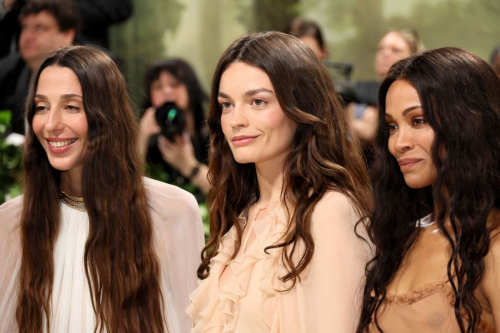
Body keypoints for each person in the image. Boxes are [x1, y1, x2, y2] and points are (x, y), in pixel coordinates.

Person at [0, 45, 204, 332]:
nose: (51, 124)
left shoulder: (172, 211)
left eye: (71, 107)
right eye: (42, 107)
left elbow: (191, 325)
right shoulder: (11, 220)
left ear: (106, 115)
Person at [186, 31, 373, 332]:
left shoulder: (328, 211)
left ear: (302, 107)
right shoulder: (240, 213)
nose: (236, 120)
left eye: (257, 102)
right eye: (226, 104)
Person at [356, 47, 500, 332]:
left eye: (418, 120)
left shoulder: (493, 245)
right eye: (392, 126)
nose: (399, 143)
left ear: (469, 121)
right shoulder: (400, 236)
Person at [0, 0, 79, 135]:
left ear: (67, 35)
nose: (28, 36)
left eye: (40, 28)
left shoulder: (95, 72)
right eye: (25, 27)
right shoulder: (6, 71)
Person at [139, 59, 210, 195]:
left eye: (175, 84)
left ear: (191, 89)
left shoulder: (212, 134)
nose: (166, 91)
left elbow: (228, 192)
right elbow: (125, 186)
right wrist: (141, 138)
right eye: (158, 87)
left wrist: (188, 165)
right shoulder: (148, 139)